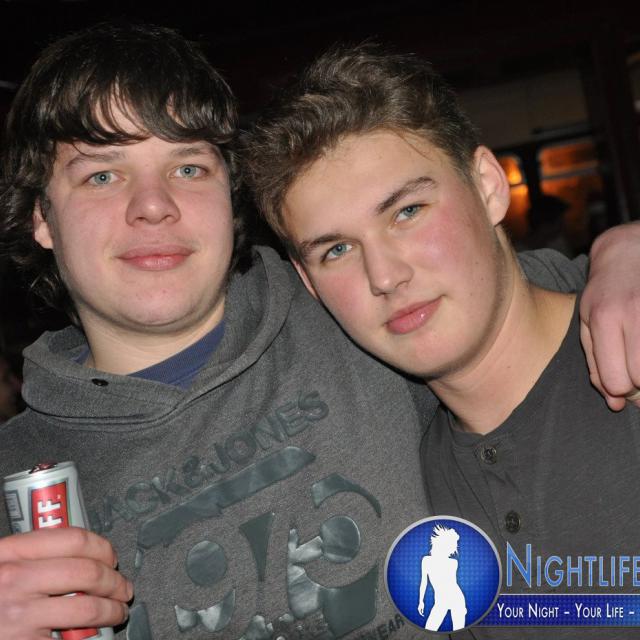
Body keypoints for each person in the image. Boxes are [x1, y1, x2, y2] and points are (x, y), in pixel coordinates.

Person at [0, 25, 636, 640]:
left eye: (188, 167)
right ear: (41, 217)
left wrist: (622, 249)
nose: (153, 205)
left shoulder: (351, 323)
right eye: (102, 175)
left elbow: (521, 301)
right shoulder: (16, 481)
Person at [243, 43, 640, 639]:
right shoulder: (406, 479)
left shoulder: (629, 351)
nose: (384, 276)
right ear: (309, 283)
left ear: (488, 186)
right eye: (337, 249)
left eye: (407, 211)